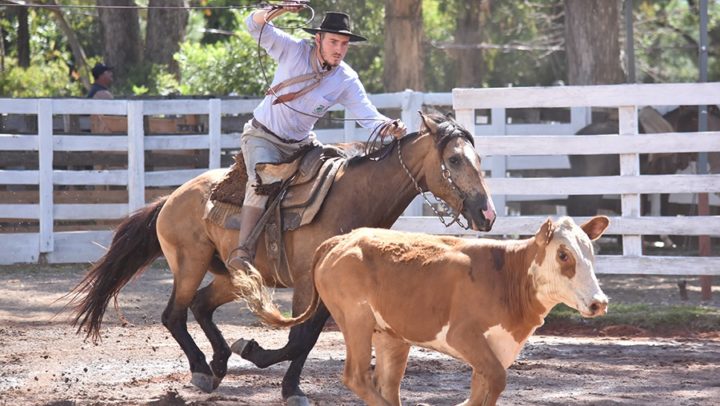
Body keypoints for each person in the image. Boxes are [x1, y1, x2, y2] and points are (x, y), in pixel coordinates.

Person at [226, 7, 407, 273]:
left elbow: (367, 114)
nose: (339, 49)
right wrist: (278, 9)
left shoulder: (345, 78)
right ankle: (243, 252)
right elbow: (253, 26)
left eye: (344, 44)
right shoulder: (293, 50)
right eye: (333, 42)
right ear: (318, 39)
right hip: (262, 136)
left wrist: (388, 127)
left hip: (302, 144)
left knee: (333, 176)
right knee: (262, 180)